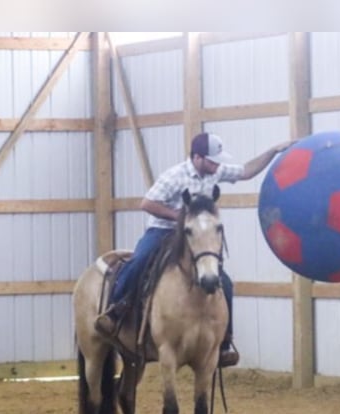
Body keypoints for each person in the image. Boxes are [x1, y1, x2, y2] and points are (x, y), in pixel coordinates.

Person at [95, 132, 293, 367]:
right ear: (197, 158)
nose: (217, 165)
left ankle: (225, 342)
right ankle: (115, 310)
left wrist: (273, 150)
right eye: (212, 160)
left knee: (225, 282)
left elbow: (246, 171)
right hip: (163, 231)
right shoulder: (174, 177)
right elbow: (147, 203)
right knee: (139, 260)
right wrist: (179, 216)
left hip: (196, 236)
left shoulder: (215, 171)